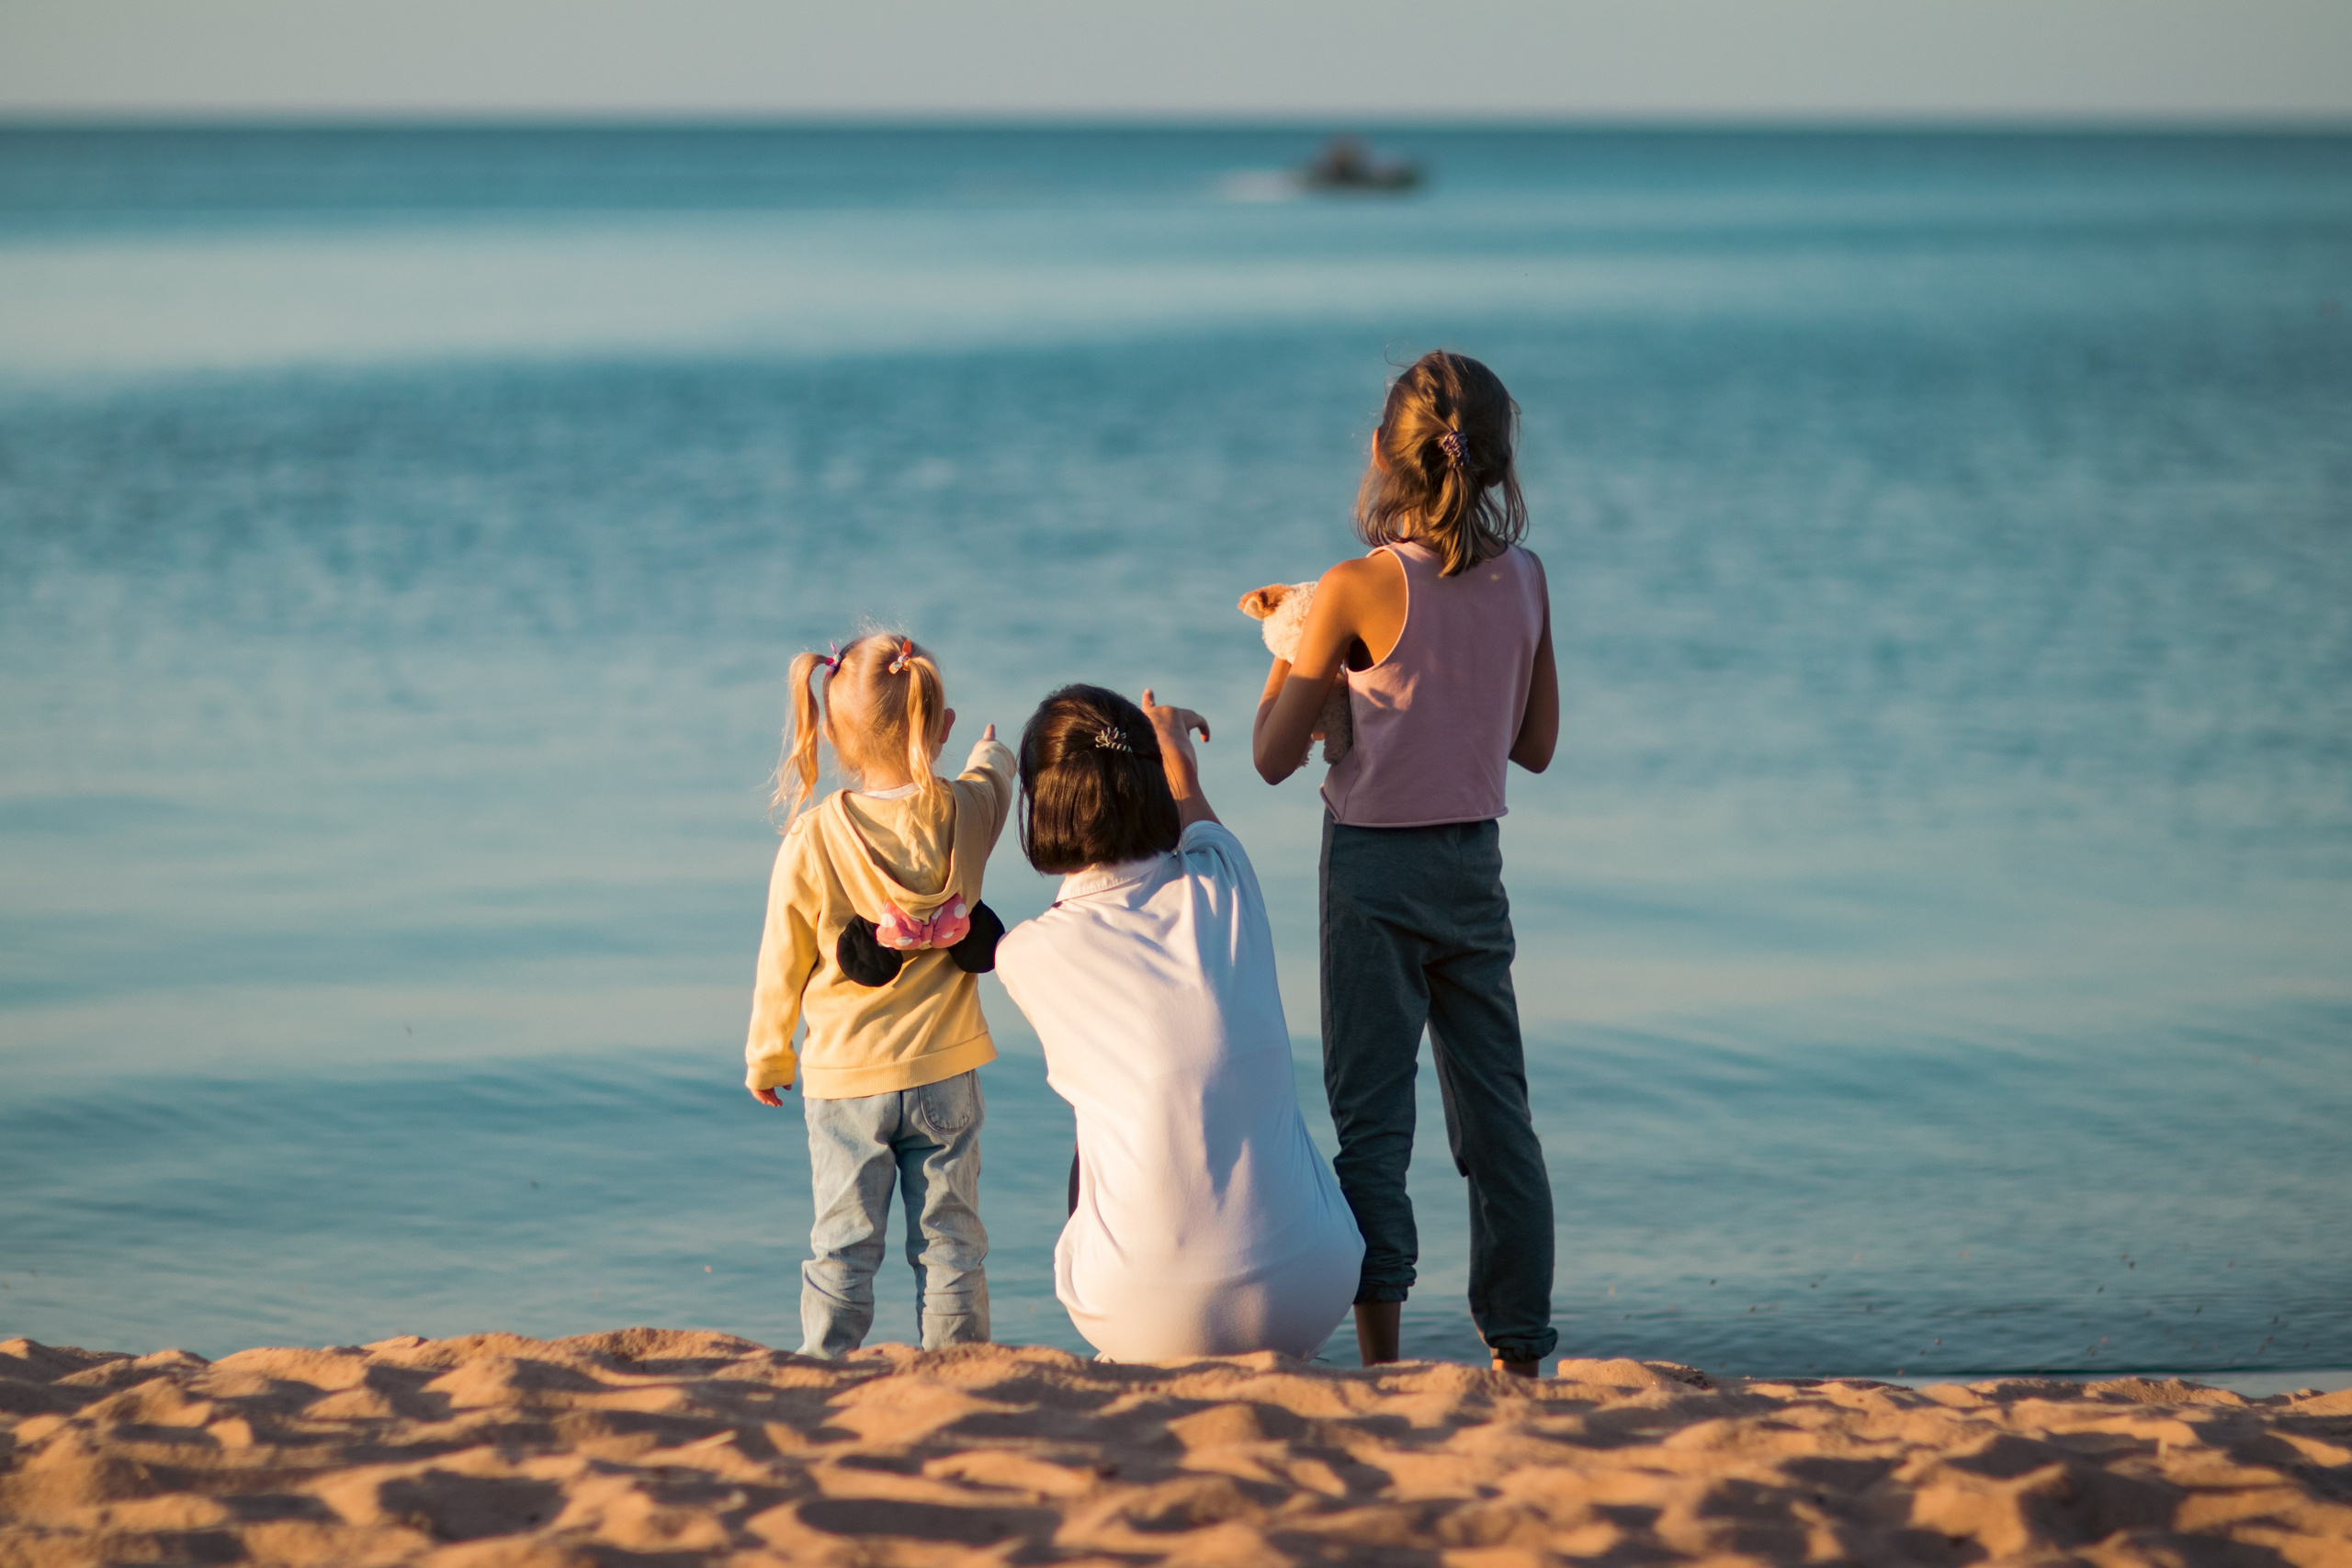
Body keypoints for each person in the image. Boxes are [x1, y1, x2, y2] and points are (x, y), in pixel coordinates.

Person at [1249, 350, 1560, 1377]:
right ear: (1498, 465)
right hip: (1475, 863)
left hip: (1372, 876)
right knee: (1497, 1122)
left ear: (1383, 452)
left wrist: (1291, 648)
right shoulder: (1527, 578)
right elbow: (1535, 743)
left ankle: (1382, 1364)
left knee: (1372, 1124)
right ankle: (1521, 1353)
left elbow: (1270, 760)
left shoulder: (1351, 587)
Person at [996, 684, 1363, 1361]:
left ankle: (1146, 1312)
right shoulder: (1225, 878)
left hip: (1145, 1317)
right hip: (1317, 1284)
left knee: (1100, 1113)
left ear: (1041, 802)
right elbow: (1197, 821)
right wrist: (1176, 757)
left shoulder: (1027, 953)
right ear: (1150, 783)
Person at [743, 632, 1016, 1358]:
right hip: (944, 1068)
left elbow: (784, 955)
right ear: (940, 723)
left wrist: (769, 1055)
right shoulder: (968, 809)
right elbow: (997, 779)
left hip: (845, 1079)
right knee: (951, 1241)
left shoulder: (812, 837)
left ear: (830, 733)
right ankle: (960, 1368)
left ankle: (825, 1362)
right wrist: (991, 752)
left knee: (842, 1242)